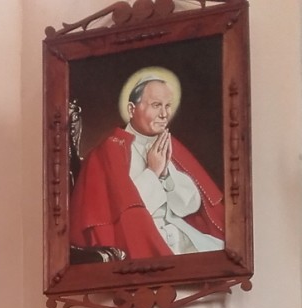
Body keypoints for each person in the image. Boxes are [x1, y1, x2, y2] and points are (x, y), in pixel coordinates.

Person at [69, 67, 225, 259]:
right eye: (156, 105)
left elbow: (189, 207)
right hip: (140, 244)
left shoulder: (169, 145)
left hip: (181, 236)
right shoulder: (108, 152)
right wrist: (153, 172)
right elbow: (124, 213)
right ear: (131, 109)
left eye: (168, 106)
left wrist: (166, 176)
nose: (164, 114)